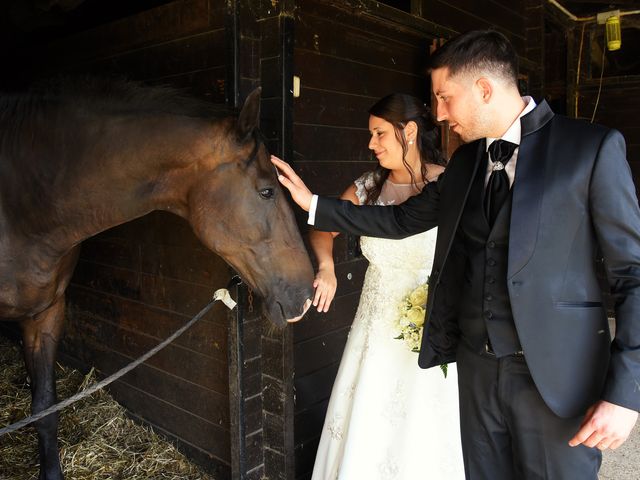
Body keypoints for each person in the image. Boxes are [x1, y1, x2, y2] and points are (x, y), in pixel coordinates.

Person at [273, 30, 640, 480]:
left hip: (556, 379)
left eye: (445, 98)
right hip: (477, 371)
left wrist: (626, 394)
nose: (440, 115)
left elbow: (633, 275)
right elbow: (399, 221)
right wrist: (313, 204)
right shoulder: (465, 164)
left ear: (484, 89)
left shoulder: (590, 149)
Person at [303, 93, 464, 480]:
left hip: (431, 326)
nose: (371, 144)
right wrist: (326, 266)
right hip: (374, 328)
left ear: (408, 131)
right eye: (371, 135)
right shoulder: (367, 187)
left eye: (379, 133)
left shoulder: (446, 184)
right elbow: (324, 226)